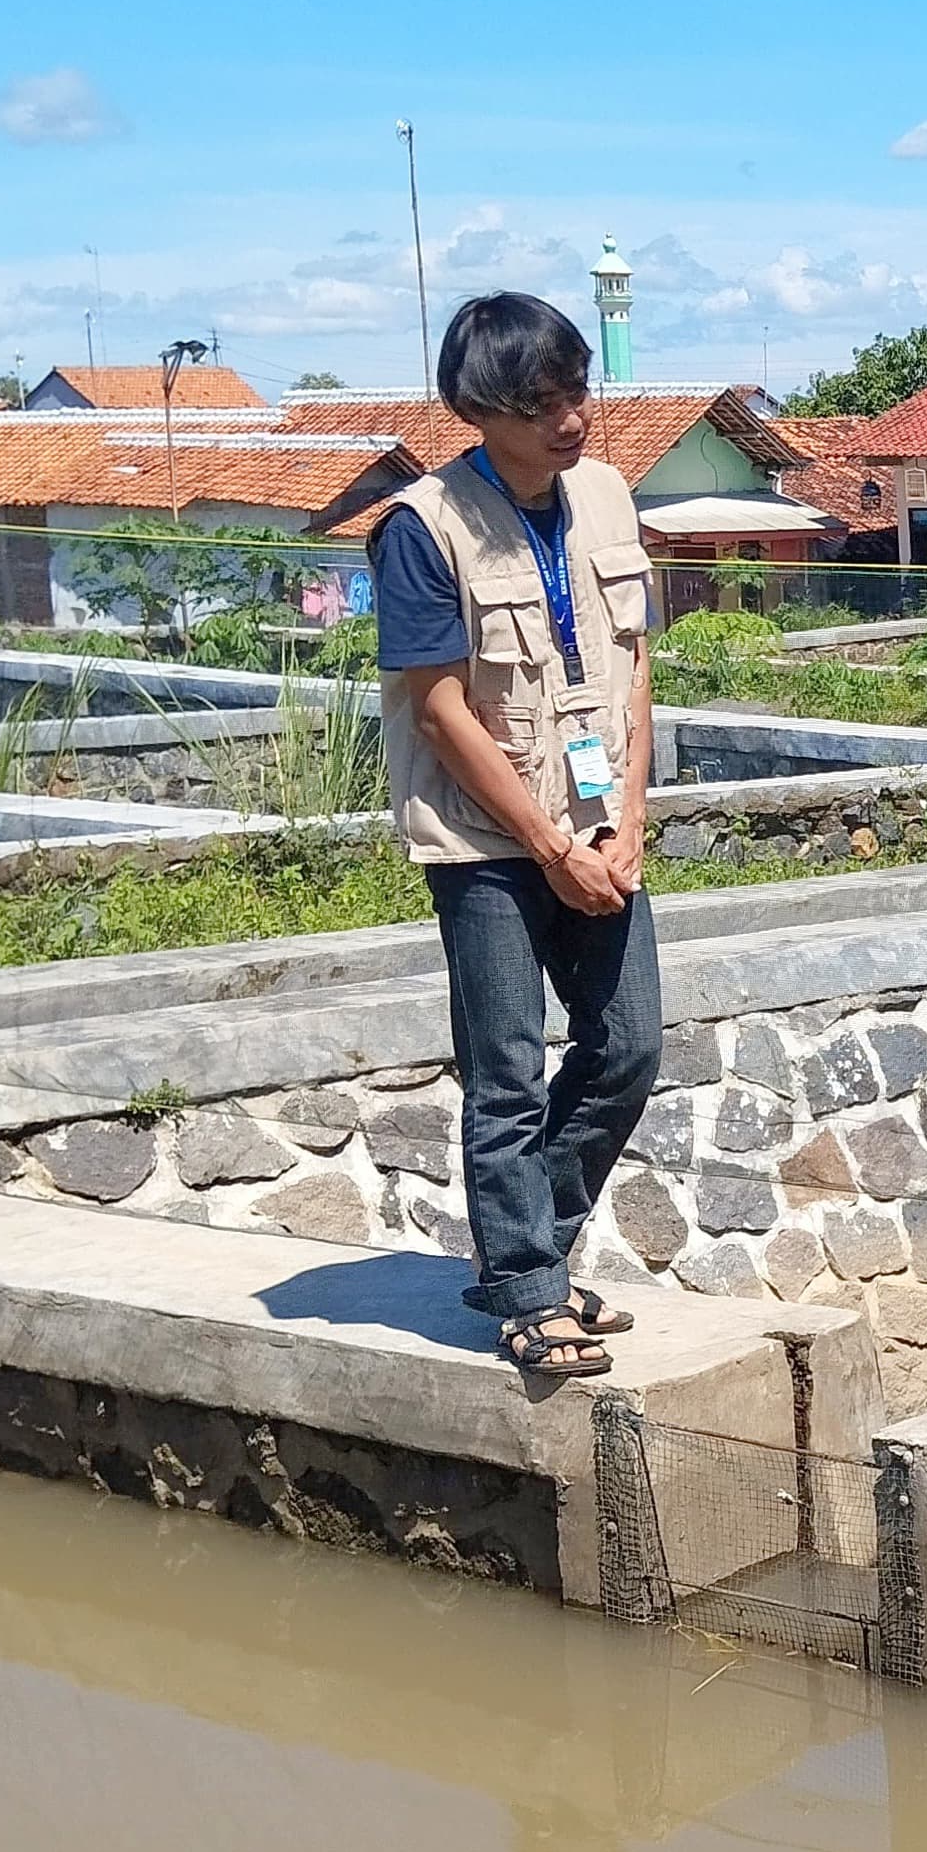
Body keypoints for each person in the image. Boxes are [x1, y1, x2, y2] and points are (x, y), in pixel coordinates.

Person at [368, 292, 662, 1377]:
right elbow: (442, 707)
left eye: (575, 391)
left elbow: (635, 675)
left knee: (627, 1046)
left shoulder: (608, 497)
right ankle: (533, 1290)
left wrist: (625, 821)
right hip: (486, 843)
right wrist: (548, 845)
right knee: (505, 1068)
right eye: (540, 403)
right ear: (480, 411)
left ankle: (522, 1253)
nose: (569, 419)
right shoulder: (421, 526)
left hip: (600, 829)